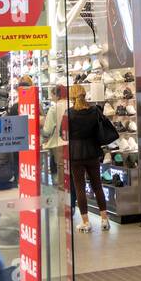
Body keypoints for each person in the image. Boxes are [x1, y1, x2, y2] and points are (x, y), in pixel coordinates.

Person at [66, 82, 110, 233]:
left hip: (76, 154)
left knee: (80, 188)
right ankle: (105, 219)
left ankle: (86, 222)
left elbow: (62, 133)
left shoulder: (69, 113)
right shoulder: (94, 111)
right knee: (97, 185)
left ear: (72, 96)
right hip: (92, 152)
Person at [41, 84, 68, 184]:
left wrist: (43, 137)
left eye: (52, 95)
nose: (51, 97)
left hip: (58, 143)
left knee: (60, 167)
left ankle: (61, 188)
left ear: (56, 95)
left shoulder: (54, 108)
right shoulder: (71, 104)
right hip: (70, 141)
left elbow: (47, 130)